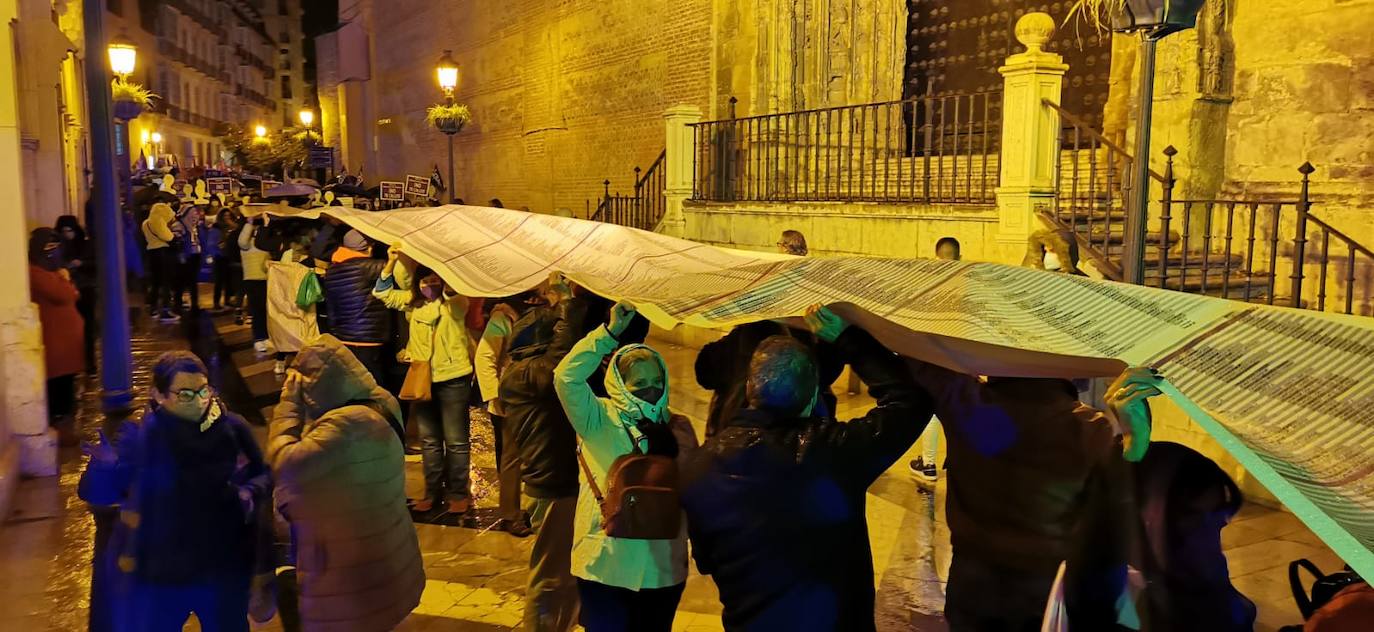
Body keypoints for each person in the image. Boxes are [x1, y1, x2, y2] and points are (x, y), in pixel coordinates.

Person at [680, 305, 932, 632]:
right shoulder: (836, 454)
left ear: (749, 390)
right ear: (814, 398)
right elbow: (911, 400)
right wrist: (847, 339)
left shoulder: (698, 469)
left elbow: (707, 560)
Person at [908, 360, 1144, 631]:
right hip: (1042, 598)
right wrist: (1133, 440)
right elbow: (1111, 528)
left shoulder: (967, 403)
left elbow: (914, 356)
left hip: (971, 591)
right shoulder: (1091, 431)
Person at [78, 351, 271, 632]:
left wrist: (248, 494)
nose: (199, 401)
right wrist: (104, 468)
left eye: (203, 390)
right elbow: (100, 496)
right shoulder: (139, 436)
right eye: (185, 394)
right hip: (162, 574)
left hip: (220, 567)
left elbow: (262, 474)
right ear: (158, 394)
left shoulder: (232, 428)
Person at [553, 301, 698, 632]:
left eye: (655, 380)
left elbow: (692, 495)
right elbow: (566, 377)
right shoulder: (598, 419)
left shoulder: (678, 426)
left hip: (661, 571)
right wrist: (609, 333)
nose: (650, 390)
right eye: (638, 383)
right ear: (619, 384)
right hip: (605, 567)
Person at [266, 335, 423, 632]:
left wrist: (289, 403)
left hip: (350, 574)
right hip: (386, 556)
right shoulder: (382, 402)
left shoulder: (343, 425)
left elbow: (283, 460)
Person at [500, 277, 591, 631]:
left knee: (564, 573)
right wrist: (571, 305)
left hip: (556, 481)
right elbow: (558, 362)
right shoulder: (527, 374)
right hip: (552, 485)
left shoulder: (525, 373)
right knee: (550, 576)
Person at [373, 244, 476, 514]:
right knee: (430, 441)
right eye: (425, 280)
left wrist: (449, 276)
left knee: (456, 440)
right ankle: (432, 492)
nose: (429, 284)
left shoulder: (455, 303)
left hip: (454, 379)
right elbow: (381, 293)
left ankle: (457, 492)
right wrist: (390, 261)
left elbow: (456, 294)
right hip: (423, 380)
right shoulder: (412, 304)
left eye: (434, 280)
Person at [694, 320, 843, 438]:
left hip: (732, 439)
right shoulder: (802, 341)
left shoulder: (738, 340)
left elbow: (704, 373)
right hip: (793, 447)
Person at [475, 294, 533, 537]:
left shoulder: (546, 310)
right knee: (511, 457)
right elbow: (484, 357)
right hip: (510, 398)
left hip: (535, 394)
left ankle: (531, 508)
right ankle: (510, 514)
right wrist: (495, 396)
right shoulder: (503, 317)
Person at [909, 236, 962, 486]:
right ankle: (957, 461)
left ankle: (928, 464)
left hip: (932, 359)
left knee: (932, 414)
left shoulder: (928, 287)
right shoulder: (965, 284)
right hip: (958, 361)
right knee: (956, 412)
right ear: (959, 258)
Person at [30, 228, 86, 446]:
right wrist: (65, 279)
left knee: (65, 385)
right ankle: (60, 431)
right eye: (49, 248)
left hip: (65, 341)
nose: (54, 252)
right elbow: (66, 294)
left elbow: (74, 293)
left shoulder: (50, 271)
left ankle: (65, 428)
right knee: (58, 389)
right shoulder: (36, 272)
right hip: (56, 342)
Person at [322, 229, 392, 386]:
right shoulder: (369, 267)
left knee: (352, 384)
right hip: (368, 337)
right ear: (368, 247)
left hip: (343, 337)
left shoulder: (332, 270)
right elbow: (396, 268)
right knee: (374, 386)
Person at [56, 215, 98, 372]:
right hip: (67, 291)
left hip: (85, 289)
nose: (67, 234)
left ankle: (89, 362)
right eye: (64, 231)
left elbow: (95, 263)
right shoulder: (58, 248)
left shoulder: (86, 245)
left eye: (70, 231)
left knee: (87, 328)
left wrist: (82, 264)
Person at [143, 202, 180, 322]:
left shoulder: (146, 223)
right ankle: (165, 310)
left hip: (151, 252)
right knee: (166, 282)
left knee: (155, 282)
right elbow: (168, 237)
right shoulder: (159, 223)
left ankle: (153, 308)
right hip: (163, 254)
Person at [212, 204, 244, 314]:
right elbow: (213, 241)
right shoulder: (216, 227)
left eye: (228, 215)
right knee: (219, 281)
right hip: (219, 257)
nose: (226, 217)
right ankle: (216, 303)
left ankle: (227, 300)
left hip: (230, 257)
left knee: (228, 281)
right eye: (224, 215)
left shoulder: (234, 227)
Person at [176, 204, 208, 314]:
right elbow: (177, 244)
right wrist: (181, 255)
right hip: (186, 258)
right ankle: (178, 305)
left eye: (196, 213)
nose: (195, 215)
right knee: (182, 282)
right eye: (193, 213)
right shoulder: (179, 226)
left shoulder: (196, 227)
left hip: (195, 256)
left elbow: (202, 241)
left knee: (193, 281)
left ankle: (195, 305)